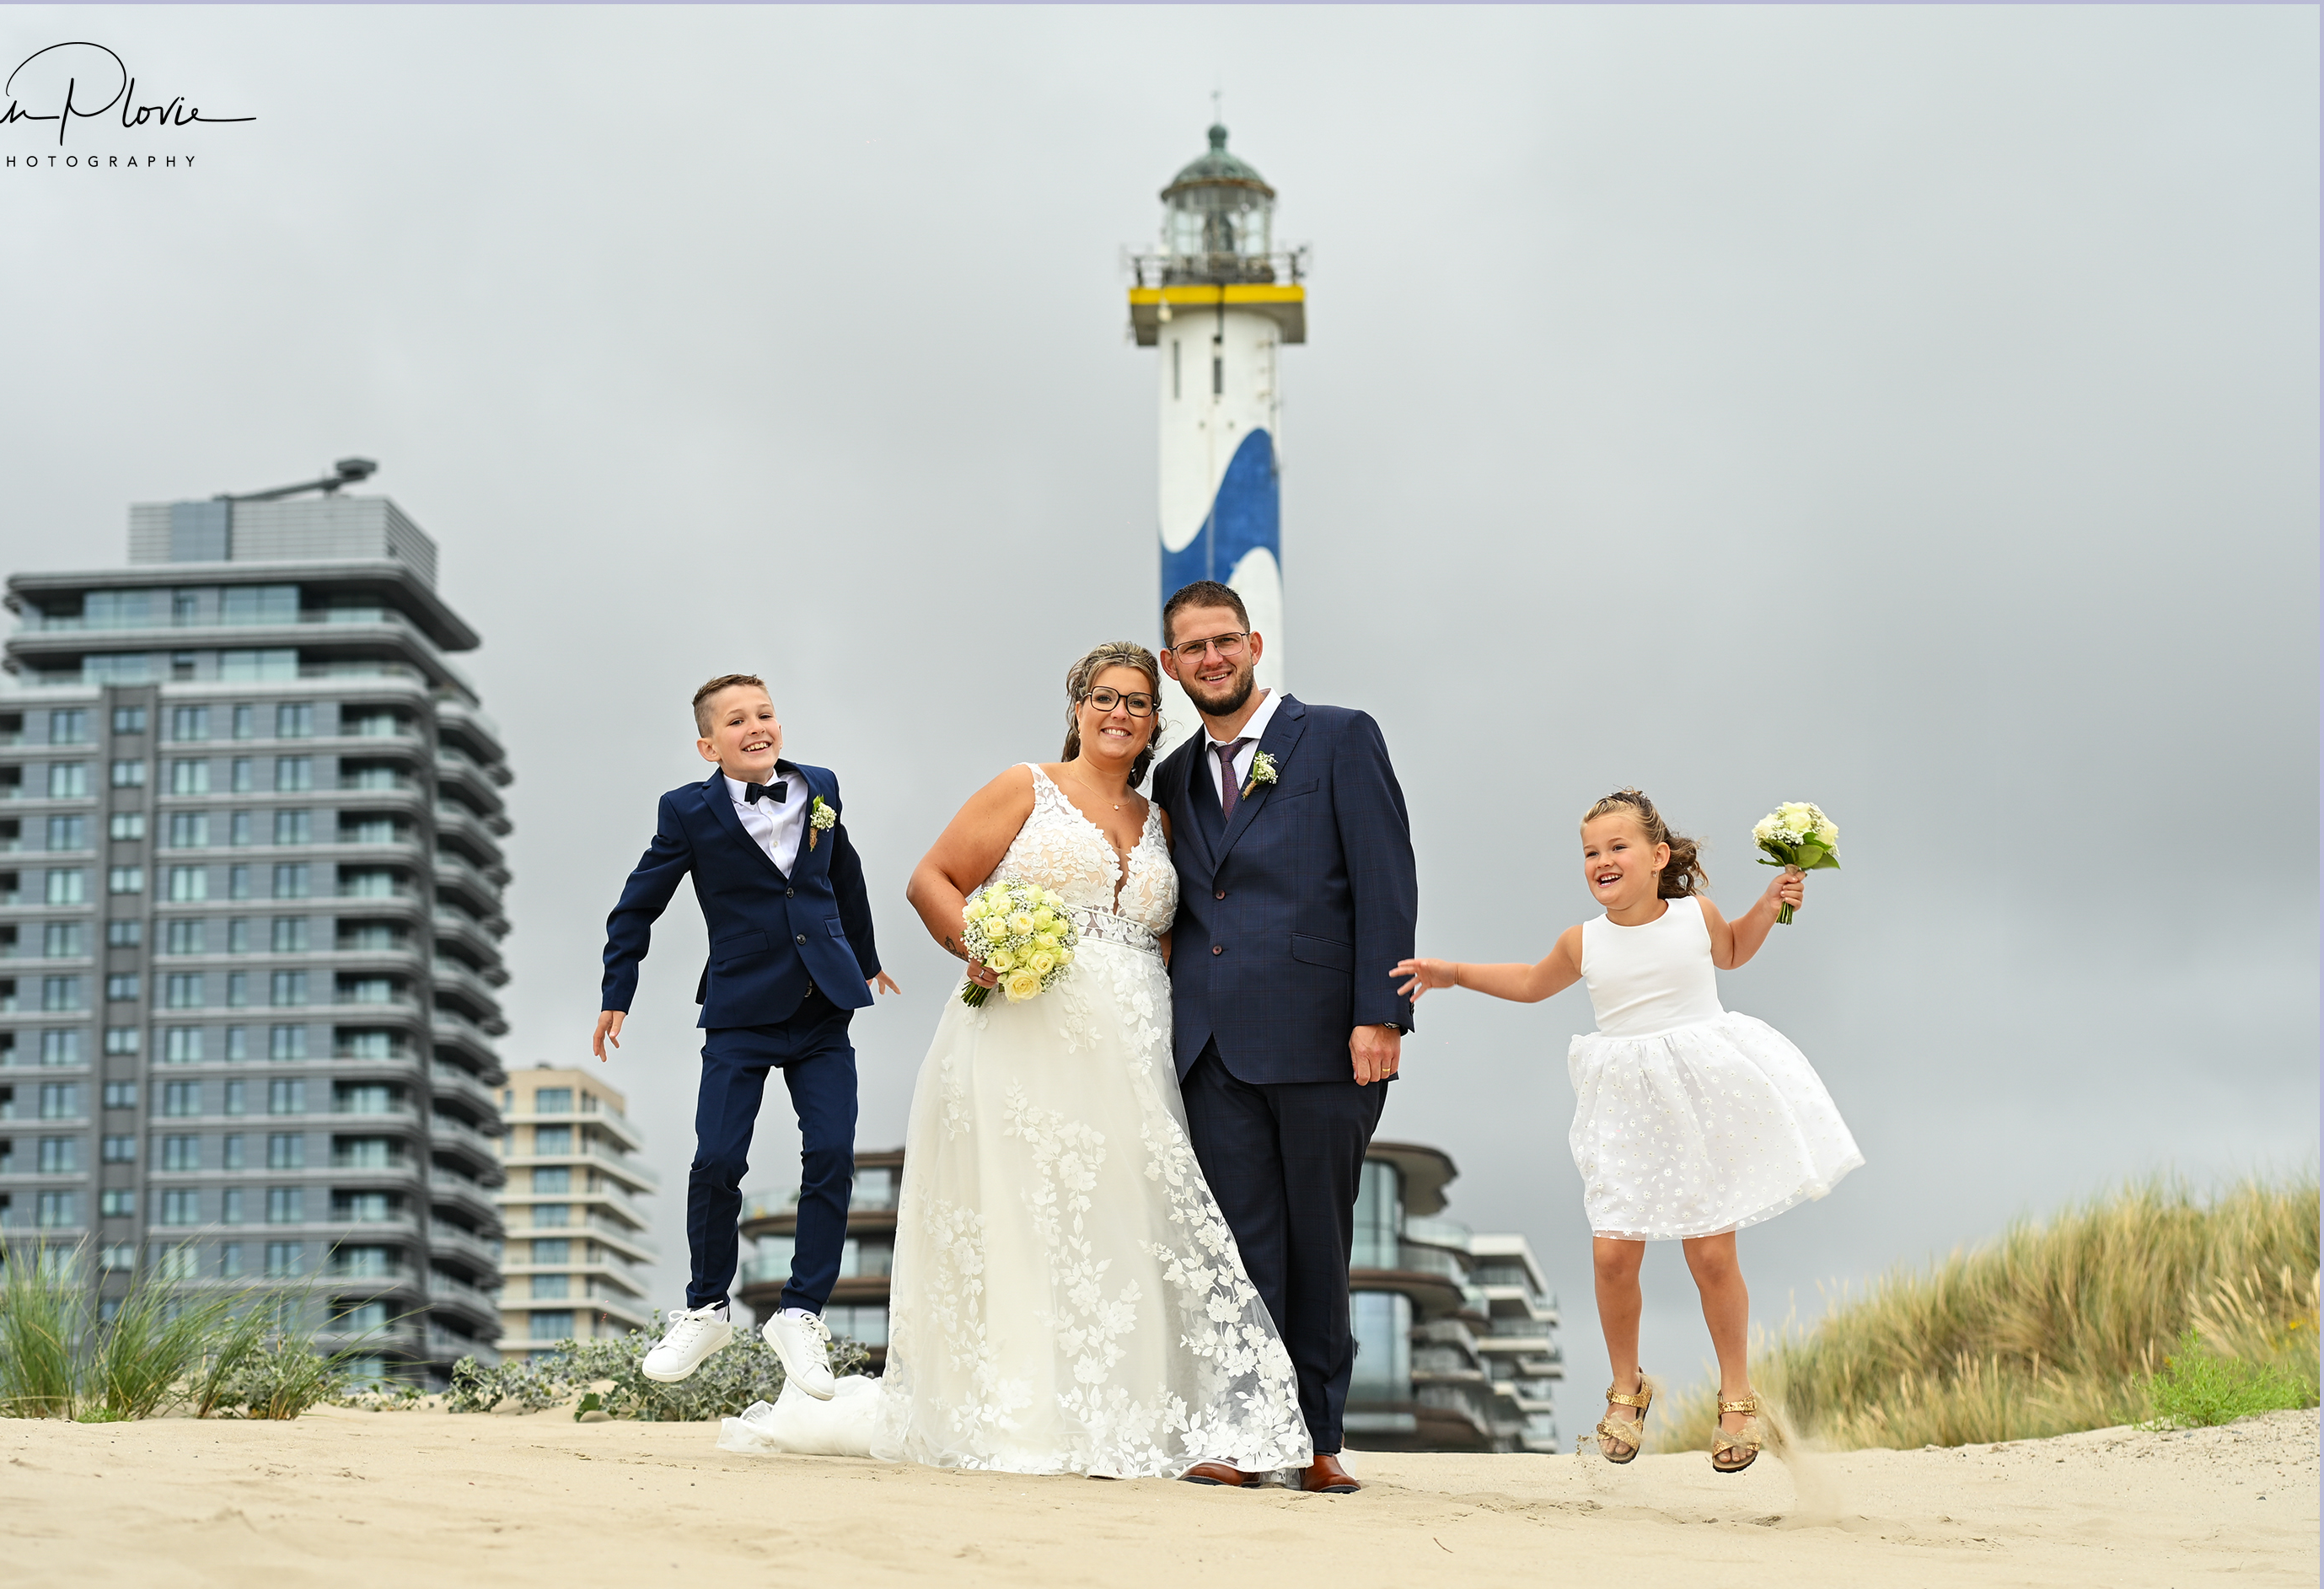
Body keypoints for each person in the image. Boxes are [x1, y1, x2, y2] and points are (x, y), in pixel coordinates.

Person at [719, 642, 1313, 1482]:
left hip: (1135, 1041)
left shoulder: (1164, 822)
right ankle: (1027, 1416)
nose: (1119, 713)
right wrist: (981, 945)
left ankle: (1125, 1415)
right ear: (1078, 707)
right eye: (1104, 697)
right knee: (1028, 1217)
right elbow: (932, 879)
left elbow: (1175, 937)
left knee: (1125, 1223)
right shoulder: (1026, 786)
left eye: (1138, 702)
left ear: (1155, 720)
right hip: (1024, 1032)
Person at [1389, 788, 1864, 1474]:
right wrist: (1453, 973)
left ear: (1659, 856)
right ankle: (1627, 1388)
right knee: (1613, 1255)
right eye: (1591, 852)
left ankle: (1736, 1395)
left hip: (1700, 1097)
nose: (1602, 861)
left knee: (1711, 1256)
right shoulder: (1583, 941)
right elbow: (1530, 982)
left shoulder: (1696, 916)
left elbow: (1733, 952)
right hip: (1626, 1107)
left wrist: (1770, 903)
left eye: (1618, 847)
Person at [1146, 581, 1419, 1496]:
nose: (1212, 658)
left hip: (1326, 1039)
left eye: (1225, 640)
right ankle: (1242, 1432)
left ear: (1254, 644)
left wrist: (1381, 1013)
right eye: (1193, 647)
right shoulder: (1173, 777)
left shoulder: (1339, 736)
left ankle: (1319, 1440)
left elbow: (1386, 879)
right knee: (1235, 1250)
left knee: (1318, 1245)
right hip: (1212, 1047)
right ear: (1172, 664)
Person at [593, 673, 898, 1400]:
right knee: (718, 1158)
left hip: (823, 1006)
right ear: (709, 746)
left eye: (764, 713)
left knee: (832, 1154)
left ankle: (800, 1311)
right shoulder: (686, 811)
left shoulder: (821, 786)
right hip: (740, 1011)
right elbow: (638, 903)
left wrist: (866, 957)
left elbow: (845, 872)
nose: (756, 726)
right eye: (736, 720)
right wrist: (617, 991)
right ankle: (706, 1307)